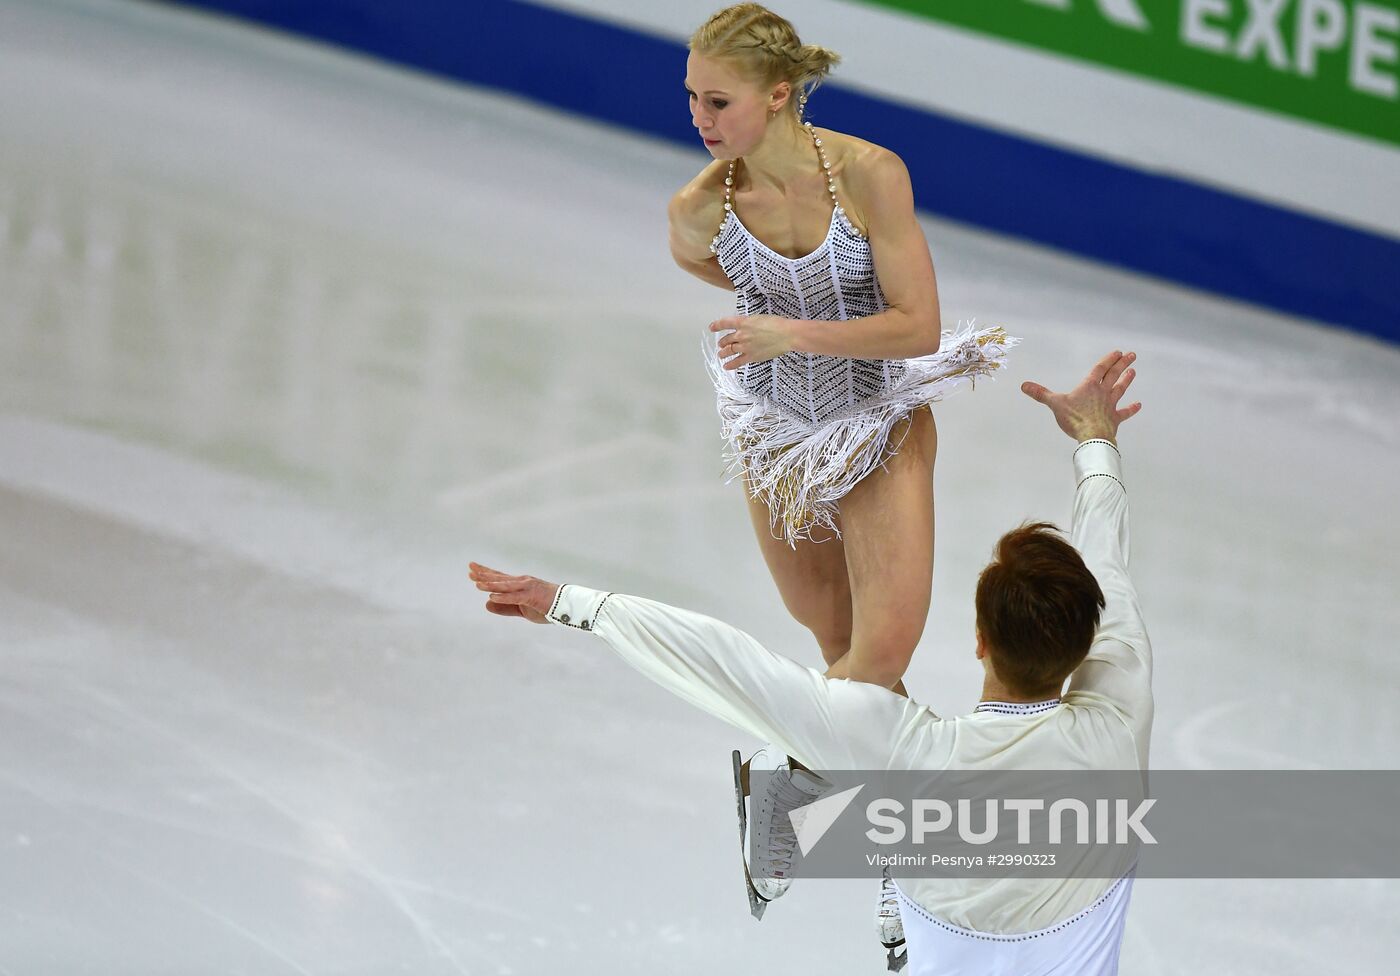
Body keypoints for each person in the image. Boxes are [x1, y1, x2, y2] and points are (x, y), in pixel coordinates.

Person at [470, 351, 1150, 974]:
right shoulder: (1117, 727)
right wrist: (1095, 441)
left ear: (979, 639)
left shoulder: (911, 757)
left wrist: (572, 604)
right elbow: (1106, 564)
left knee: (852, 677)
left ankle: (822, 800)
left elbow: (728, 667)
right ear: (1089, 646)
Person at [668, 3, 1016, 932]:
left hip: (878, 419)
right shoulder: (701, 207)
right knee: (843, 660)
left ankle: (786, 784)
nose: (701, 117)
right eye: (693, 96)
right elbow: (707, 264)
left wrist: (793, 328)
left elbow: (920, 325)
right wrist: (776, 329)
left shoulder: (870, 177)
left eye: (721, 99)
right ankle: (915, 880)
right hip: (777, 434)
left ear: (781, 95)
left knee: (880, 656)